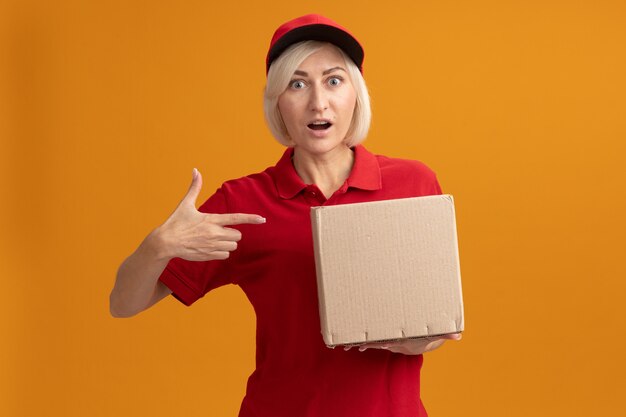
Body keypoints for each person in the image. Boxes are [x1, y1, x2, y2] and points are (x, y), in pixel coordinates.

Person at [110, 13, 461, 417]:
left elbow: (435, 320)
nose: (318, 101)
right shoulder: (243, 203)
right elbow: (123, 303)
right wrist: (157, 246)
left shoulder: (413, 183)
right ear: (278, 100)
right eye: (297, 83)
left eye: (334, 80)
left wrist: (420, 340)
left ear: (356, 94)